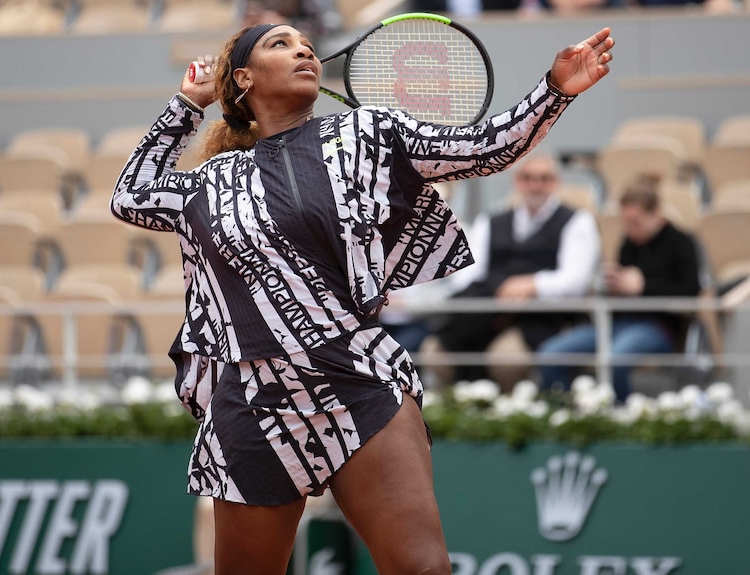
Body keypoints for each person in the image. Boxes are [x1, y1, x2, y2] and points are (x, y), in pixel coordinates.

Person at [110, 22, 614, 574]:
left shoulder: (365, 134)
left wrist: (555, 90)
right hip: (252, 400)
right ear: (243, 79)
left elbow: (482, 149)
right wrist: (188, 104)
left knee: (423, 570)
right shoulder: (211, 181)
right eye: (280, 43)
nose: (303, 48)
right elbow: (130, 195)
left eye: (305, 42)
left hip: (357, 379)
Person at [420, 153, 600, 389]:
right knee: (435, 353)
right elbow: (468, 274)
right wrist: (497, 292)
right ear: (517, 181)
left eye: (544, 178)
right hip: (488, 313)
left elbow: (575, 279)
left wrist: (532, 285)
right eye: (528, 178)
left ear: (556, 182)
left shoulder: (577, 221)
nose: (536, 185)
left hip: (543, 317)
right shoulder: (491, 222)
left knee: (506, 360)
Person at [538, 175, 701, 403]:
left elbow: (690, 292)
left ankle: (620, 418)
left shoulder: (682, 242)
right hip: (615, 323)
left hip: (657, 327)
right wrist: (609, 285)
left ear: (656, 214)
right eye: (626, 222)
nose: (630, 229)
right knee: (550, 354)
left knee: (613, 361)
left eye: (636, 222)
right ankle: (565, 416)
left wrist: (643, 287)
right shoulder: (629, 243)